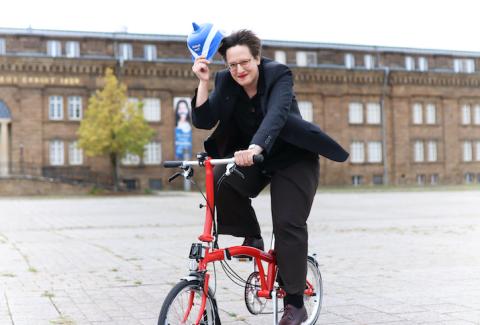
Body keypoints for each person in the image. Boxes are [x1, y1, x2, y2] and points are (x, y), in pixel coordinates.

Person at [191, 30, 348, 325]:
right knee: (221, 181)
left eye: (244, 62)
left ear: (257, 58)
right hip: (255, 158)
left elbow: (276, 115)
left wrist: (255, 146)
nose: (238, 70)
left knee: (288, 222)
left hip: (292, 157)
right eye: (232, 64)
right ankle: (252, 237)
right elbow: (203, 120)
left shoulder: (279, 75)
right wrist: (203, 81)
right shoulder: (225, 80)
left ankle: (294, 304)